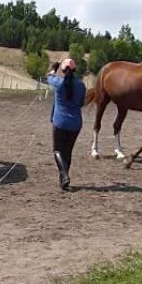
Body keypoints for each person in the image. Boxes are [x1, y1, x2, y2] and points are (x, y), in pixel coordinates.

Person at [48, 58, 86, 191]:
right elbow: (81, 103)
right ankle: (64, 180)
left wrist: (54, 67)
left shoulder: (58, 82)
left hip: (60, 122)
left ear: (63, 70)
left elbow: (49, 76)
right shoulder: (81, 85)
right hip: (76, 124)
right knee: (68, 152)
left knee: (57, 150)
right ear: (74, 70)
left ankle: (64, 175)